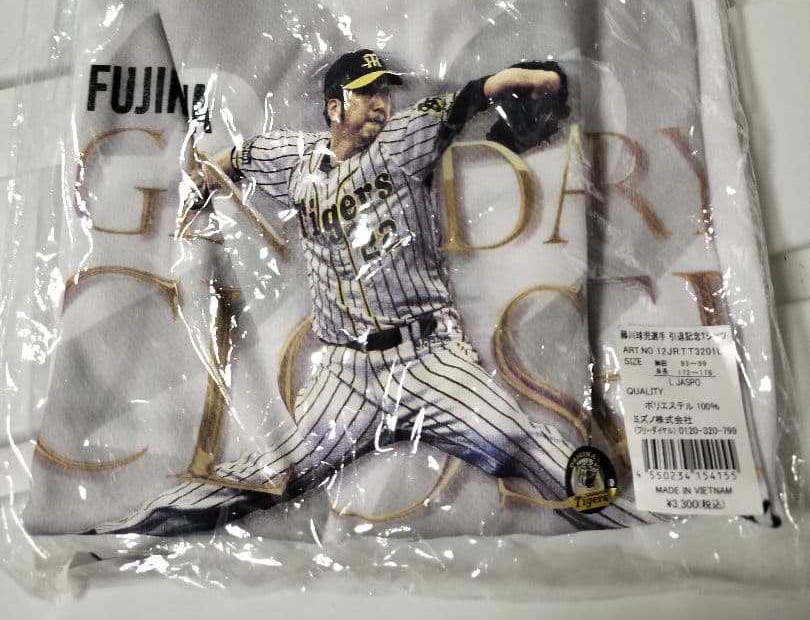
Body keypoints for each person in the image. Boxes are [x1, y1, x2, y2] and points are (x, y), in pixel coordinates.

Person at [98, 50, 650, 535]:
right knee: (271, 475)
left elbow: (466, 99)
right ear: (334, 106)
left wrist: (528, 81)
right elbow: (240, 159)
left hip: (430, 359)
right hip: (347, 376)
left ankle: (638, 532)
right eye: (366, 93)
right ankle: (122, 531)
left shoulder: (403, 143)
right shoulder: (294, 157)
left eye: (384, 92)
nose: (381, 103)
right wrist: (202, 185)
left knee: (515, 441)